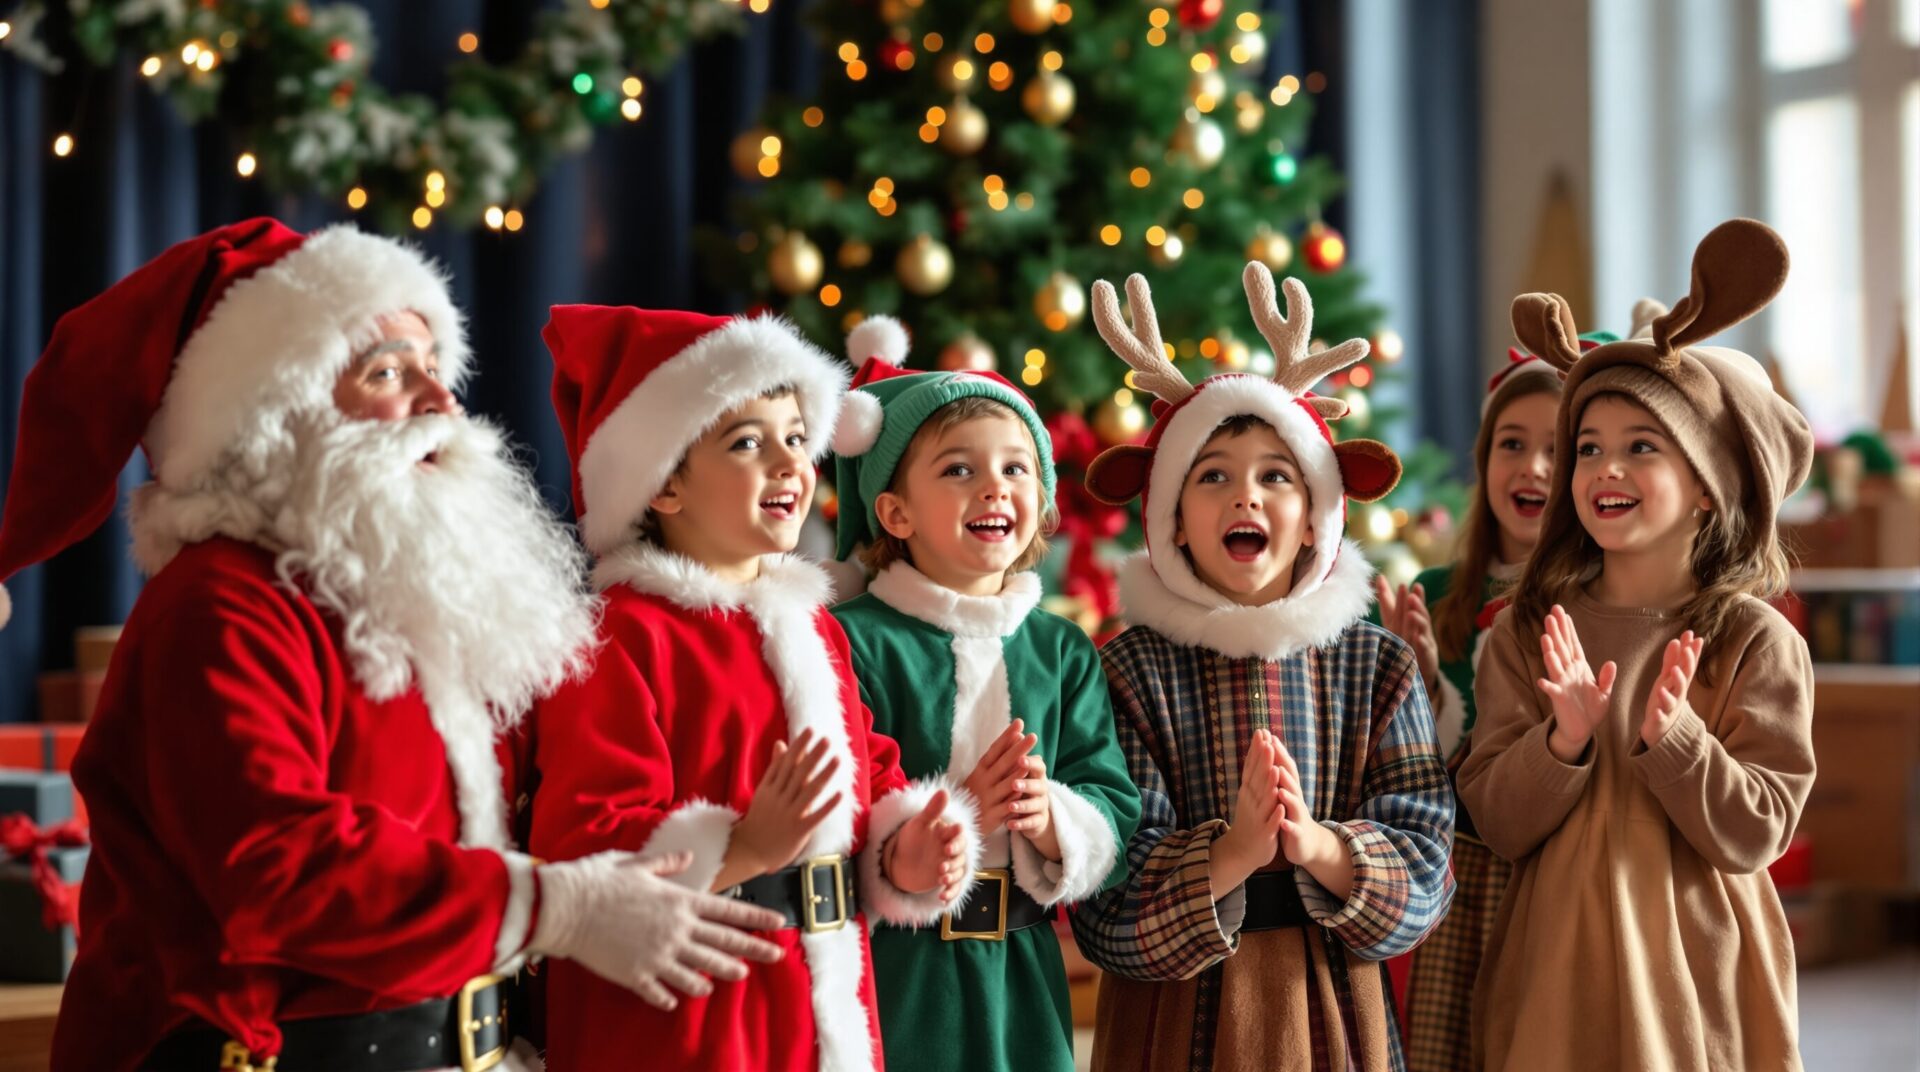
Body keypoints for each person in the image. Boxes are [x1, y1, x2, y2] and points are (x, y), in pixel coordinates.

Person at [0, 219, 787, 1072]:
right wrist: (556, 908)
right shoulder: (221, 606)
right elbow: (277, 868)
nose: (441, 402)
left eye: (435, 370)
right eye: (386, 373)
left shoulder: (418, 594)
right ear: (277, 414)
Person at [531, 303, 982, 1071]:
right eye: (748, 442)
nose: (790, 464)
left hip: (818, 1000)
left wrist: (905, 852)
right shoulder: (617, 635)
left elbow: (869, 779)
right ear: (662, 485)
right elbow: (582, 842)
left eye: (797, 439)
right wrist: (740, 849)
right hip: (688, 1015)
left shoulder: (815, 627)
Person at [1071, 266, 1455, 1071]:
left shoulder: (1374, 662)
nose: (1245, 496)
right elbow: (1107, 904)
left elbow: (1426, 865)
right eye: (1212, 476)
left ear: (1316, 511)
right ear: (1172, 519)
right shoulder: (1131, 669)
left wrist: (1315, 846)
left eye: (1276, 476)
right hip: (1175, 1024)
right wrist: (1234, 853)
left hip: (1333, 1009)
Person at [1459, 219, 1817, 1070]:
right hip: (1557, 970)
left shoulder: (1753, 639)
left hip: (1699, 980)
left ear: (1705, 485)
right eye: (1589, 449)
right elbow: (1497, 822)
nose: (1603, 470)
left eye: (1640, 448)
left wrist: (1678, 744)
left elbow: (1758, 831)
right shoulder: (1531, 625)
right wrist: (1563, 743)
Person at [826, 317, 1142, 1071]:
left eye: (1016, 468)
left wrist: (1054, 817)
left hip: (1024, 968)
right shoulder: (855, 641)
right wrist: (938, 821)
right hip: (897, 967)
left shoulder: (1060, 649)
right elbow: (841, 797)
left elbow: (1111, 795)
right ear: (895, 513)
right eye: (958, 470)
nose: (995, 485)